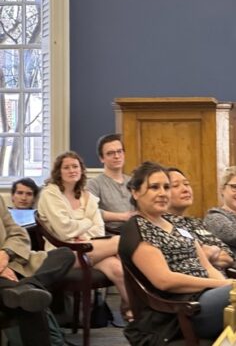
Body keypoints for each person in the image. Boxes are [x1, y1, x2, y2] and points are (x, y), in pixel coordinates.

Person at [119, 161, 233, 343]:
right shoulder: (137, 227)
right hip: (182, 309)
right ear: (135, 192)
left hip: (207, 295)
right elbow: (164, 281)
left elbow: (205, 265)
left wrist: (226, 284)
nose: (163, 193)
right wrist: (222, 287)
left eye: (166, 187)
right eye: (154, 187)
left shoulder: (177, 224)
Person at [36, 151, 131, 321]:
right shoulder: (50, 194)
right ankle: (140, 309)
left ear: (81, 170)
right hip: (62, 254)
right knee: (121, 242)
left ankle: (130, 310)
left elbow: (99, 230)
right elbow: (64, 229)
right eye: (66, 167)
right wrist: (87, 223)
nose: (72, 170)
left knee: (119, 270)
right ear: (59, 171)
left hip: (89, 249)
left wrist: (83, 235)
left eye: (75, 166)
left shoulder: (87, 196)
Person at [0, 196, 75, 344]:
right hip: (3, 274)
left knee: (65, 254)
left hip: (15, 261)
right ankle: (27, 289)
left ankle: (30, 284)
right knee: (30, 302)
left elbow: (18, 233)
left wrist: (6, 253)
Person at [166, 167, 234, 270]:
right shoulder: (163, 226)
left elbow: (229, 256)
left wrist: (210, 250)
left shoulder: (195, 222)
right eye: (176, 185)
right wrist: (212, 252)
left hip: (226, 282)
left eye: (186, 184)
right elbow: (186, 264)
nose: (185, 189)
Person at [87, 134, 136, 233]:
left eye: (119, 151)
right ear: (102, 158)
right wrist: (122, 217)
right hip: (109, 235)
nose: (117, 156)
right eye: (110, 153)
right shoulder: (94, 184)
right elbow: (90, 212)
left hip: (136, 231)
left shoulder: (133, 181)